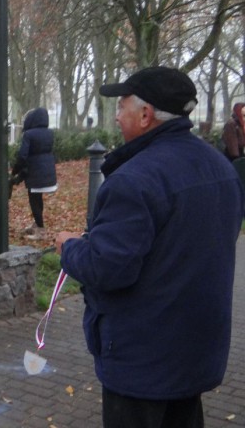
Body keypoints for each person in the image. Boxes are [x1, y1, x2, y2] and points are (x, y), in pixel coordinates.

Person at [55, 67, 243, 428]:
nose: (116, 114)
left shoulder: (134, 180)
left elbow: (107, 269)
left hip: (143, 361)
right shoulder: (220, 167)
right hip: (196, 351)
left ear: (145, 115)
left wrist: (70, 247)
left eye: (121, 105)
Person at [11, 107, 57, 240]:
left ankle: (41, 231)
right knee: (38, 199)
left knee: (34, 201)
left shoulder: (29, 134)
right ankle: (37, 224)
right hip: (48, 172)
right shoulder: (50, 133)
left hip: (35, 173)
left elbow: (22, 156)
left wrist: (15, 172)